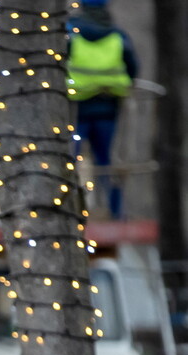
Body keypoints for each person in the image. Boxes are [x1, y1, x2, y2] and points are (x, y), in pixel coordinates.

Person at [66, 0, 138, 219]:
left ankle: (69, 209)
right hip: (108, 109)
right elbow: (132, 67)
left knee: (71, 161)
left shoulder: (71, 33)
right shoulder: (118, 36)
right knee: (107, 162)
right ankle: (116, 213)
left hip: (76, 109)